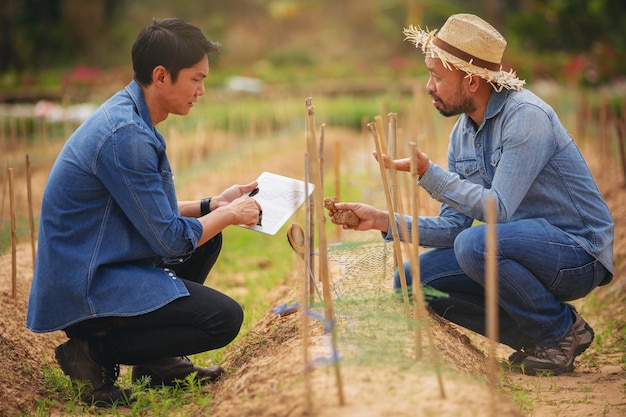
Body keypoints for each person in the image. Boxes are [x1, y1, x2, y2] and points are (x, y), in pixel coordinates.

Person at [327, 14, 613, 376]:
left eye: (437, 76)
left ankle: (557, 331)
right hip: (520, 251)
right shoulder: (462, 134)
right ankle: (541, 334)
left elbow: (499, 210)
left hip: (577, 253)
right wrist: (382, 221)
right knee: (412, 281)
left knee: (474, 244)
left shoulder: (526, 117)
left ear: (472, 80)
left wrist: (429, 175)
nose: (428, 85)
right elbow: (452, 228)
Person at [26, 18, 263, 406]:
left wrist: (214, 206)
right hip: (88, 285)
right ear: (161, 76)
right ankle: (91, 354)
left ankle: (157, 363)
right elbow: (169, 239)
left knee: (206, 238)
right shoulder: (126, 136)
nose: (202, 91)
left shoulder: (130, 119)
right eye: (196, 79)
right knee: (224, 319)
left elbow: (149, 213)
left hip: (104, 260)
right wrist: (233, 213)